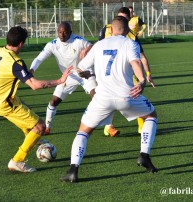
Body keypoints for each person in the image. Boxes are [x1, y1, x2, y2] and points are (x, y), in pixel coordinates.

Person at [0, 26, 73, 173]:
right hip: (4, 103)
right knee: (40, 127)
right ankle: (17, 160)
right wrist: (59, 80)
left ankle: (34, 140)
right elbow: (35, 85)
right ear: (21, 44)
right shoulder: (16, 62)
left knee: (24, 107)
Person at [61, 16, 158, 183]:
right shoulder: (130, 43)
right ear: (127, 30)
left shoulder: (99, 45)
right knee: (151, 116)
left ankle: (73, 170)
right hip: (126, 96)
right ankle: (144, 155)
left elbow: (81, 69)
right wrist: (141, 80)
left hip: (102, 98)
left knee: (83, 131)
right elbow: (135, 62)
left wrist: (86, 73)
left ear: (111, 30)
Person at [30, 22, 96, 135]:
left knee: (97, 97)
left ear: (70, 32)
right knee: (53, 101)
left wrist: (88, 48)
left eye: (65, 32)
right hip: (68, 76)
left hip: (84, 73)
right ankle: (47, 127)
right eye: (60, 32)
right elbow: (39, 58)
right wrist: (32, 70)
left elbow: (95, 47)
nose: (62, 34)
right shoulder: (53, 44)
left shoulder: (78, 41)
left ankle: (109, 127)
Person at [99, 7, 155, 136]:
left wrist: (147, 74)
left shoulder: (131, 36)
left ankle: (141, 126)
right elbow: (97, 50)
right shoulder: (106, 30)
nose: (120, 21)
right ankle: (109, 126)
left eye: (123, 19)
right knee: (109, 98)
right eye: (119, 18)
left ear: (128, 20)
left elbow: (141, 57)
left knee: (135, 94)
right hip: (107, 73)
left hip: (126, 72)